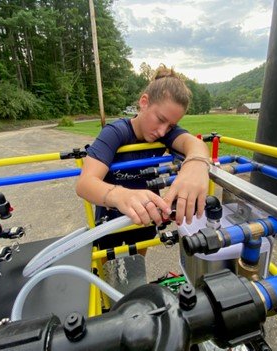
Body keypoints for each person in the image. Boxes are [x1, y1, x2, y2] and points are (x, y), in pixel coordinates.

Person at [76, 65, 210, 250]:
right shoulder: (115, 132)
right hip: (111, 218)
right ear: (144, 102)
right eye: (160, 119)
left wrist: (196, 164)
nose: (163, 130)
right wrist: (121, 195)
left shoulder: (164, 134)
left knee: (138, 261)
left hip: (145, 216)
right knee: (108, 264)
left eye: (171, 126)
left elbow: (195, 144)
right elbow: (85, 184)